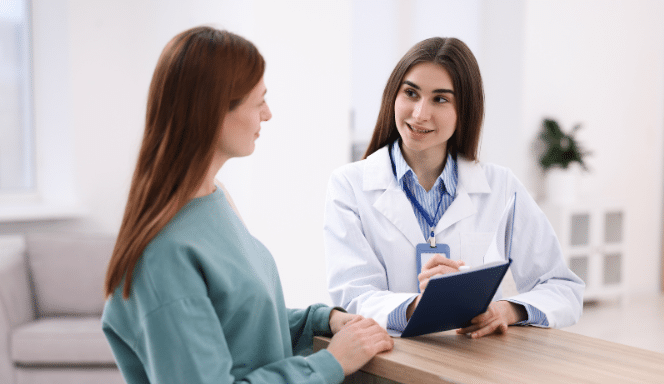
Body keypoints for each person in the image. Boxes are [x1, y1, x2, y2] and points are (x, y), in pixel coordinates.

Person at [102, 26, 393, 384]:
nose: (268, 114)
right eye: (259, 102)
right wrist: (330, 362)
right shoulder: (164, 257)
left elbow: (241, 319)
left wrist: (322, 320)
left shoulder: (214, 199)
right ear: (212, 112)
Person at [324, 37, 584, 339]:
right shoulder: (349, 186)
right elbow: (352, 299)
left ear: (465, 110)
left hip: (473, 363)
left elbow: (563, 289)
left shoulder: (501, 187)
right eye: (411, 93)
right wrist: (421, 306)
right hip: (387, 362)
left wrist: (504, 310)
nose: (420, 113)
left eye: (441, 99)